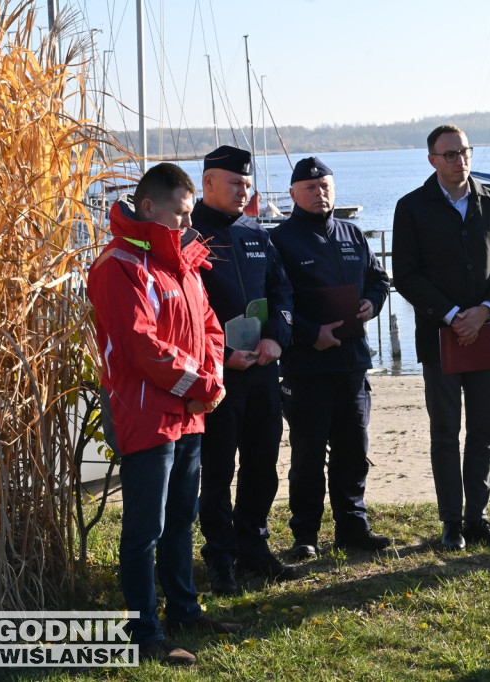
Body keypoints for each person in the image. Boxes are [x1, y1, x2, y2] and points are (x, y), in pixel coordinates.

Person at [87, 163, 240, 666]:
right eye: (180, 212)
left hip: (190, 410)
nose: (185, 222)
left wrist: (210, 384)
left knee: (181, 518)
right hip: (146, 413)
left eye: (190, 212)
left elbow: (210, 328)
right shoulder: (120, 264)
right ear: (149, 207)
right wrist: (200, 386)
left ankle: (184, 610)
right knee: (145, 527)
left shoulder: (182, 263)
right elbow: (141, 347)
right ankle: (143, 630)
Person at [392, 124, 490, 551]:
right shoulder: (411, 207)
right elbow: (406, 275)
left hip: (485, 336)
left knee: (483, 431)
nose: (458, 160)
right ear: (432, 159)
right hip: (440, 338)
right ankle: (451, 521)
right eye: (448, 154)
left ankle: (477, 518)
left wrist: (484, 313)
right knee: (445, 433)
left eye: (463, 151)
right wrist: (451, 316)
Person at [268, 157, 393, 560]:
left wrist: (371, 304)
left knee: (353, 449)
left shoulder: (352, 233)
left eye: (325, 186)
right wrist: (309, 334)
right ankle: (305, 534)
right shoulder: (281, 240)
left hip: (353, 363)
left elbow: (378, 279)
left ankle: (352, 527)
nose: (320, 193)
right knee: (307, 454)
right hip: (307, 366)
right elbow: (276, 302)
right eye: (310, 188)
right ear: (292, 194)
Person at [192, 145, 296, 595]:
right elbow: (184, 314)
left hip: (262, 371)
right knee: (217, 471)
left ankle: (254, 544)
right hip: (218, 376)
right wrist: (218, 357)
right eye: (235, 183)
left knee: (262, 464)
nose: (244, 191)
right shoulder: (188, 234)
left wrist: (277, 337)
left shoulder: (257, 232)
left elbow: (282, 292)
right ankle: (220, 557)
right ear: (208, 182)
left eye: (248, 184)